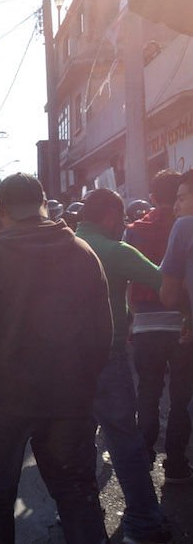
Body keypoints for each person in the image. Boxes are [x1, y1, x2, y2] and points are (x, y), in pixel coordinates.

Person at [0, 173, 111, 543]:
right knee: (77, 493)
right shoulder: (83, 253)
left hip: (6, 399)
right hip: (69, 398)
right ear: (44, 204)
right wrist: (84, 382)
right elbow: (102, 335)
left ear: (1, 211)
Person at [76, 189, 170, 543]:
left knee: (78, 439)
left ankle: (81, 514)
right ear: (112, 216)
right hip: (106, 355)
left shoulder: (64, 246)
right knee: (123, 442)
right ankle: (144, 523)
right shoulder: (115, 251)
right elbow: (165, 282)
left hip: (65, 362)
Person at [124, 170, 193, 483]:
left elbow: (128, 277)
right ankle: (177, 465)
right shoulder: (181, 226)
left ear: (151, 197)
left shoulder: (134, 230)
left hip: (147, 321)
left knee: (148, 391)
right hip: (182, 321)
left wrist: (133, 315)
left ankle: (145, 457)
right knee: (181, 398)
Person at [158, 170, 193, 482]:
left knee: (181, 398)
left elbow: (167, 294)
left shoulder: (184, 227)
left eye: (181, 197)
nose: (176, 205)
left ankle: (176, 465)